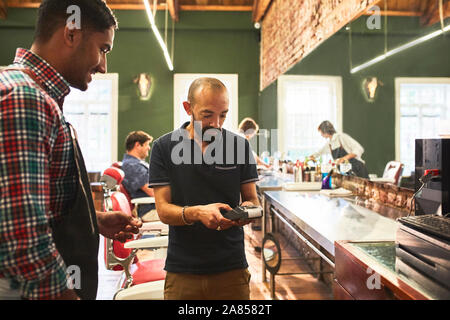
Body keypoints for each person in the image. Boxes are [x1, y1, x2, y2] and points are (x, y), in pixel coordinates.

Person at [0, 0, 142, 300]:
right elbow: (22, 238)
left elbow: (32, 205)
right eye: (103, 49)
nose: (104, 66)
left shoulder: (36, 95)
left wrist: (93, 221)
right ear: (71, 34)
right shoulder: (25, 98)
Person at [149, 77, 260, 300]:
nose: (216, 123)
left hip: (232, 267)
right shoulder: (164, 147)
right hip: (183, 270)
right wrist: (198, 213)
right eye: (207, 115)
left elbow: (252, 200)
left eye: (223, 115)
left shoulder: (239, 146)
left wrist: (244, 213)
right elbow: (163, 210)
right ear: (188, 108)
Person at [122, 131, 158, 221]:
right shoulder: (132, 165)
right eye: (147, 145)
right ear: (138, 145)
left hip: (154, 208)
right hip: (149, 211)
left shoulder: (136, 163)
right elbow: (152, 191)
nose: (149, 148)